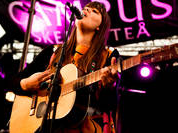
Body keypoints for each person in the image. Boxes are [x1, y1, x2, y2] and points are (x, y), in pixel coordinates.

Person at [8, 1, 119, 133]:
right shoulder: (53, 51)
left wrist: (109, 87)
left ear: (100, 26)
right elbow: (12, 82)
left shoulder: (108, 56)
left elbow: (109, 105)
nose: (87, 9)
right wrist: (26, 84)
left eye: (95, 11)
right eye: (86, 8)